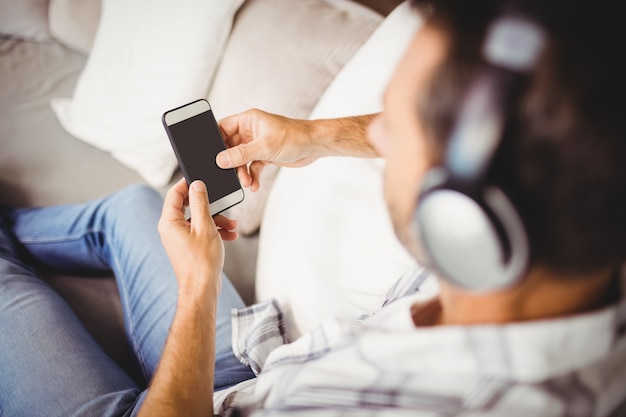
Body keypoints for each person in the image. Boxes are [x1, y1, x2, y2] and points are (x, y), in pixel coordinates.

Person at [1, 0, 625, 415]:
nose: (377, 138)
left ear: (462, 210)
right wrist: (313, 137)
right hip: (255, 358)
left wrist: (198, 289)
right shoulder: (570, 240)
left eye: (397, 127)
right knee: (137, 203)